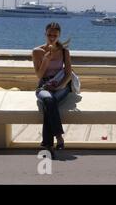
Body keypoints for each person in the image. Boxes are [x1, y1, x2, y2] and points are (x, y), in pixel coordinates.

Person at [32, 22, 72, 157]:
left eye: (55, 35)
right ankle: (59, 137)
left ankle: (47, 145)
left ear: (59, 35)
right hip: (44, 85)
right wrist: (45, 60)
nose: (52, 37)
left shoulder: (64, 51)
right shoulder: (37, 51)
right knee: (49, 100)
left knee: (49, 104)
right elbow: (38, 75)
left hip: (61, 86)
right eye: (49, 34)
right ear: (45, 34)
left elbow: (68, 74)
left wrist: (59, 86)